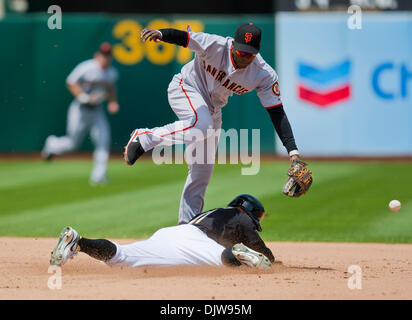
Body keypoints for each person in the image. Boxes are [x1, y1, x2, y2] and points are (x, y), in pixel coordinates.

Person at [124, 23, 301, 224]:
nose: (244, 58)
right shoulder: (215, 45)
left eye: (249, 55)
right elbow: (184, 38)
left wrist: (293, 153)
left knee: (202, 171)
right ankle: (145, 137)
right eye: (241, 52)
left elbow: (276, 112)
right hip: (186, 88)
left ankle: (186, 230)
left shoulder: (264, 74)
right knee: (202, 125)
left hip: (213, 109)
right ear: (233, 44)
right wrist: (161, 34)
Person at [50, 194, 274, 269]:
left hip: (172, 233)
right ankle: (235, 252)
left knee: (121, 256)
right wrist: (272, 260)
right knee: (221, 259)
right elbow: (260, 249)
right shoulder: (241, 216)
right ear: (248, 210)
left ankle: (78, 242)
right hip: (195, 241)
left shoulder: (217, 212)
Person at [41, 42, 120, 185]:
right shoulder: (87, 67)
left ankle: (99, 176)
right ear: (97, 55)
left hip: (97, 111)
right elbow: (70, 82)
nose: (105, 58)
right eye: (103, 55)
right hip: (80, 110)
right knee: (72, 144)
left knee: (103, 141)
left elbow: (111, 89)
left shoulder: (112, 73)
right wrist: (82, 96)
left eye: (108, 55)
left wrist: (112, 102)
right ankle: (52, 144)